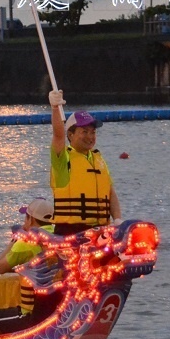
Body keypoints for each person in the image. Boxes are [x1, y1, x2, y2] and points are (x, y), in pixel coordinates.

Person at [0, 198, 53, 337]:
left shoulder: (26, 243)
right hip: (54, 310)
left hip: (31, 314)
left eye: (26, 218)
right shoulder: (60, 237)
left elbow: (0, 267)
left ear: (30, 219)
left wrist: (15, 239)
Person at [48, 91, 121, 234]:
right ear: (71, 134)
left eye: (93, 132)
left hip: (100, 231)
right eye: (84, 132)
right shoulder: (63, 159)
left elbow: (111, 194)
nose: (90, 137)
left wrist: (118, 220)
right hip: (70, 232)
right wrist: (55, 108)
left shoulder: (98, 160)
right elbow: (58, 135)